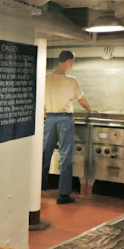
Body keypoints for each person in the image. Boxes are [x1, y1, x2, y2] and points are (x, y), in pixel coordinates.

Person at [42, 50, 92, 204]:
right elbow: (82, 100)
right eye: (73, 61)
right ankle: (63, 195)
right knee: (66, 156)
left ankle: (40, 186)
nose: (73, 64)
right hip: (64, 119)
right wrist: (92, 111)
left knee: (45, 153)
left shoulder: (46, 79)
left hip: (49, 118)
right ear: (68, 61)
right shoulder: (71, 81)